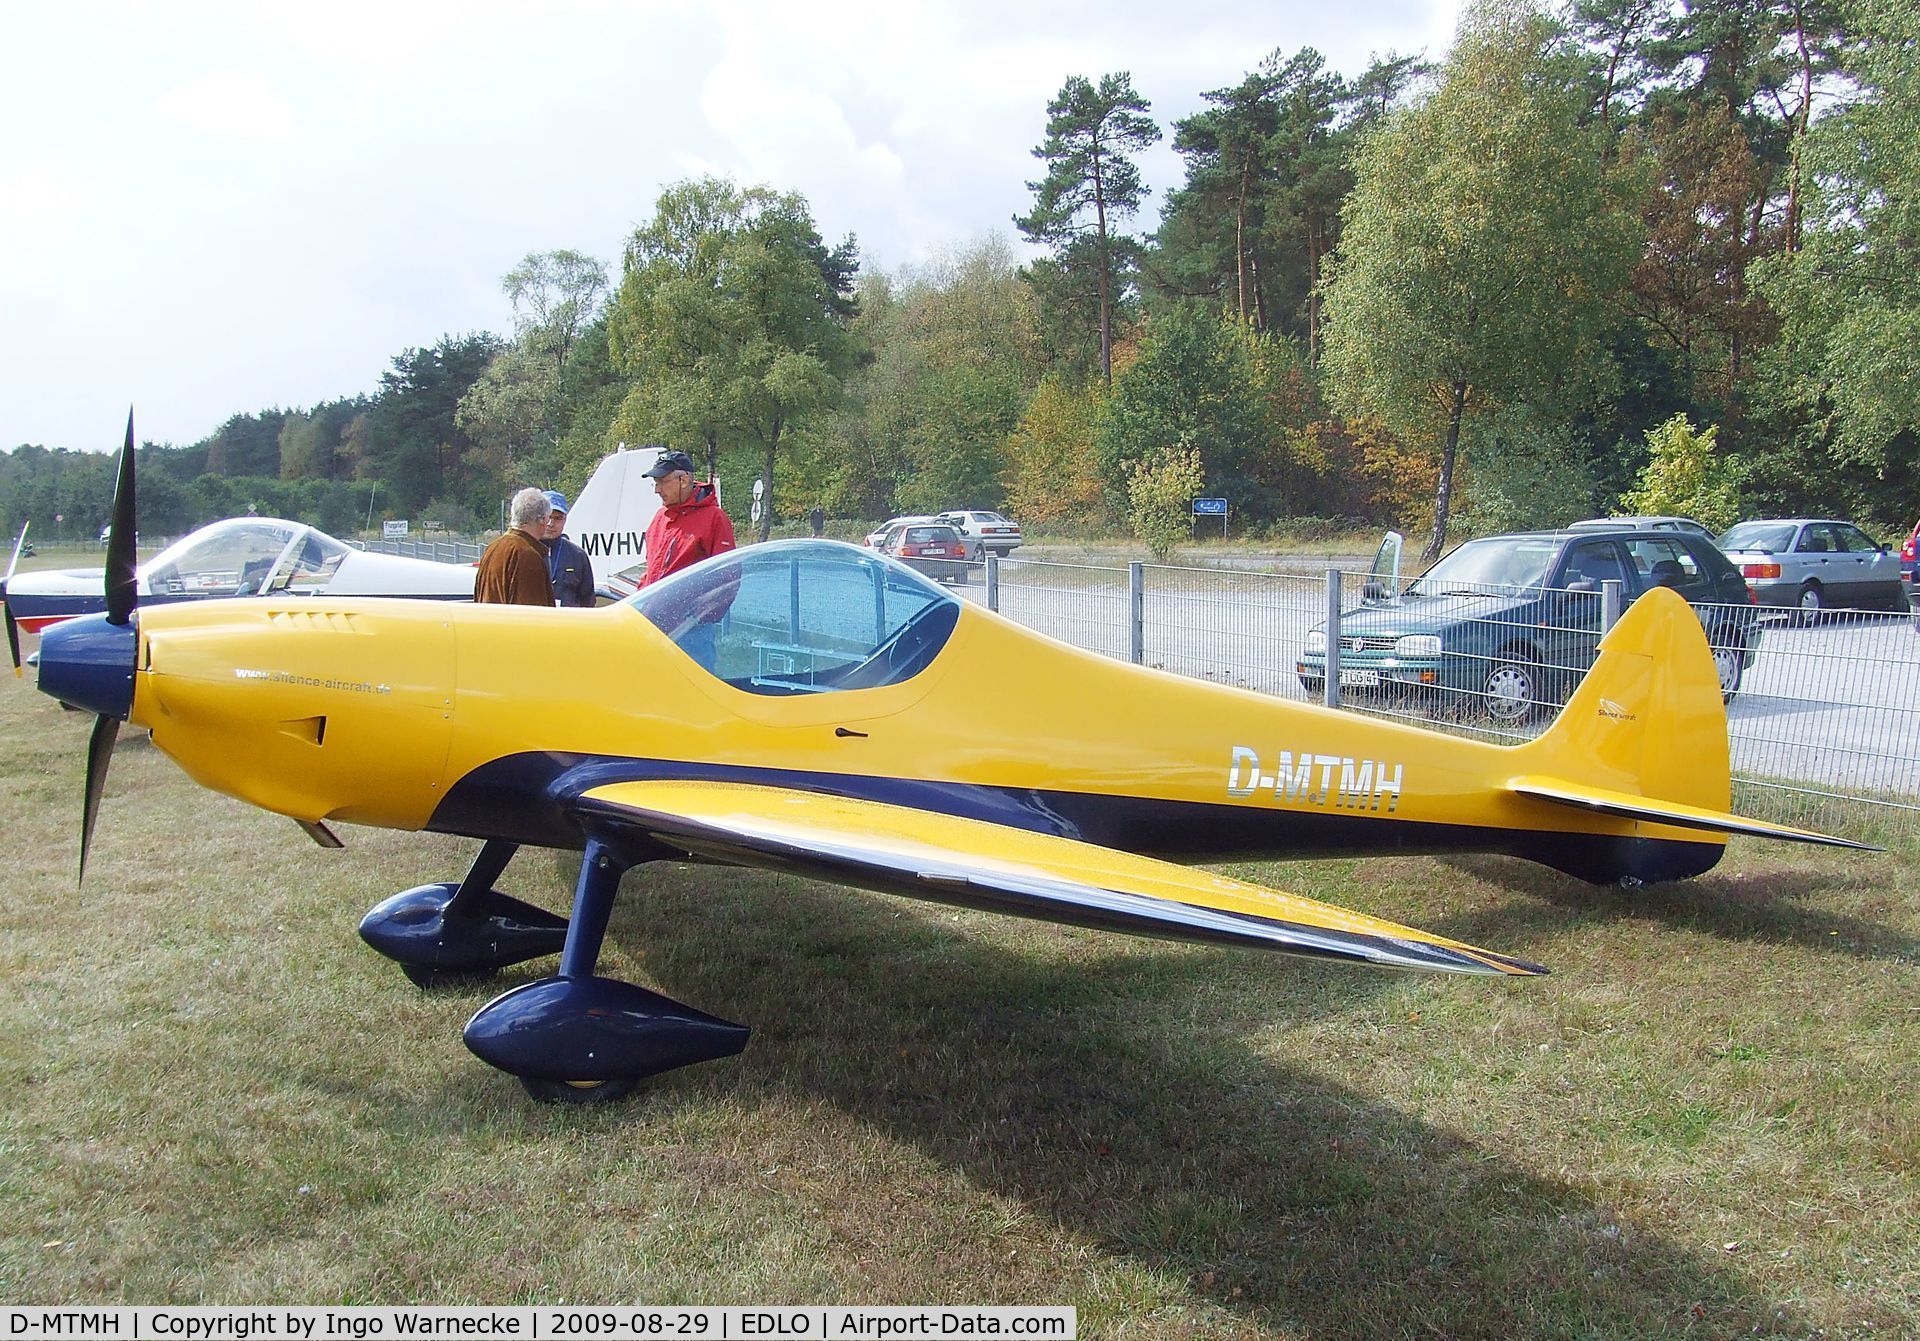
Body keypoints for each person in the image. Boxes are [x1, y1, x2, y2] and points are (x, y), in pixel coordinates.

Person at [638, 450, 736, 587]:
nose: (657, 490)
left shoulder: (715, 518)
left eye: (662, 482)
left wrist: (698, 608)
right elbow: (650, 570)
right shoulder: (660, 517)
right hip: (653, 607)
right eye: (655, 483)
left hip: (690, 608)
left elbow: (727, 580)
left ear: (683, 480)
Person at [475, 488, 556, 606]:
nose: (549, 523)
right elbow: (533, 614)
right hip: (511, 624)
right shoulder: (527, 556)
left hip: (487, 623)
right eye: (548, 517)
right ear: (542, 519)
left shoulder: (492, 548)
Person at [541, 489, 596, 608]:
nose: (551, 523)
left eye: (557, 518)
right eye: (548, 517)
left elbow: (588, 599)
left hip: (568, 622)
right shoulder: (525, 551)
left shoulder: (577, 555)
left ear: (565, 520)